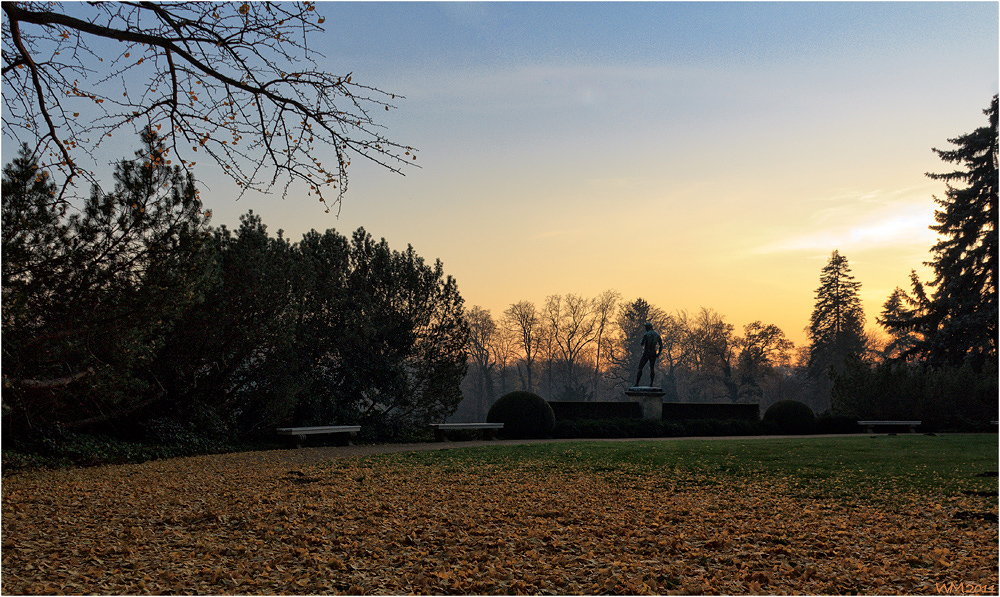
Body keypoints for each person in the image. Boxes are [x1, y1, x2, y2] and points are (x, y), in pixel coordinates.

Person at [635, 322, 663, 386]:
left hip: (646, 352)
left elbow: (642, 343)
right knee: (652, 368)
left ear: (648, 327)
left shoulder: (646, 334)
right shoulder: (657, 335)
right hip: (653, 352)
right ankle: (651, 384)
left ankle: (637, 383)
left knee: (640, 368)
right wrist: (658, 354)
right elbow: (661, 346)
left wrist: (641, 341)